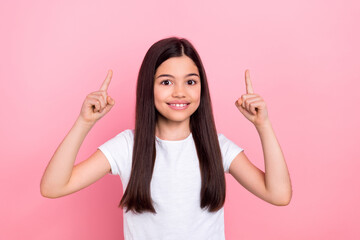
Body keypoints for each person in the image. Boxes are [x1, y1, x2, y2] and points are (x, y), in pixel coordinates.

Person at [40, 37, 292, 239]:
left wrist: (263, 125)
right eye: (166, 82)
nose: (180, 92)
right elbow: (53, 187)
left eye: (191, 81)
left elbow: (279, 195)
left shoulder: (217, 146)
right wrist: (84, 123)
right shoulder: (128, 146)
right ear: (148, 87)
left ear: (201, 88)